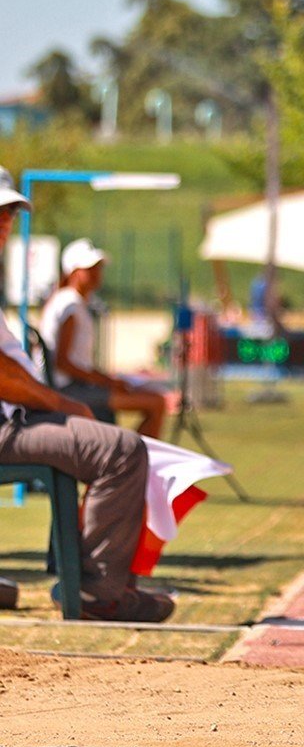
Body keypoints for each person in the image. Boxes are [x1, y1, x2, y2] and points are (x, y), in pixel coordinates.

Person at [0, 166, 174, 622]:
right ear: (76, 271)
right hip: (10, 421)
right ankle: (97, 589)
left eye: (10, 214)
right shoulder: (70, 304)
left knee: (122, 438)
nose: (5, 223)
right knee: (122, 449)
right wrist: (63, 402)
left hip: (19, 413)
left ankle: (88, 573)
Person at [39, 238, 168, 438]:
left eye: (98, 267)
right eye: (90, 268)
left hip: (76, 386)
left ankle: (131, 459)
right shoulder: (70, 306)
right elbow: (63, 363)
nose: (97, 273)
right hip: (70, 390)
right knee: (156, 403)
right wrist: (106, 381)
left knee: (152, 398)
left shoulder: (71, 302)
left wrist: (105, 380)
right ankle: (131, 463)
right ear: (74, 272)